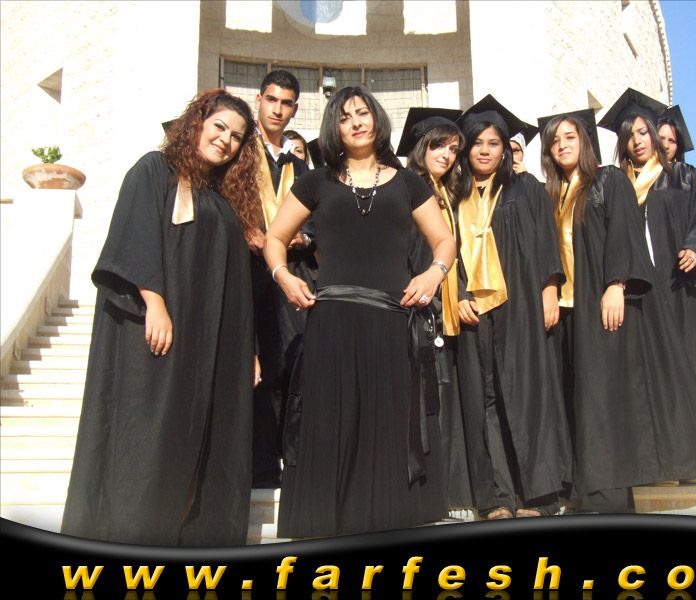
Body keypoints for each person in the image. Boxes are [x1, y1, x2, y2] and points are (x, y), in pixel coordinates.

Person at [61, 89, 262, 546]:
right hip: (156, 330)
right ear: (197, 123)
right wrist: (154, 303)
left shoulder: (223, 199)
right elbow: (136, 238)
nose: (226, 140)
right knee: (150, 436)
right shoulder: (154, 171)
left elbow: (236, 284)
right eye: (219, 127)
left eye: (236, 137)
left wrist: (246, 348)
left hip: (209, 341)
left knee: (209, 437)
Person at [264, 86, 456, 538]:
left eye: (363, 113)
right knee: (332, 424)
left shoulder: (408, 182)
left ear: (377, 119)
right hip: (331, 324)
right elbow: (275, 238)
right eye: (345, 116)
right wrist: (283, 276)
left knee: (387, 426)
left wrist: (434, 275)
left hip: (391, 321)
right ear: (334, 126)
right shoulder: (315, 182)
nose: (355, 122)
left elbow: (445, 240)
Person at [539, 108, 696, 512]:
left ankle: (609, 495)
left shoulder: (610, 180)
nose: (563, 146)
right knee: (578, 396)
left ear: (585, 142)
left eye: (570, 138)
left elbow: (623, 234)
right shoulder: (554, 193)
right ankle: (583, 487)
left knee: (604, 396)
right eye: (555, 141)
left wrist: (616, 283)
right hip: (568, 310)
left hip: (614, 300)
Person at [599, 88, 696, 465]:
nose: (638, 141)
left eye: (644, 132)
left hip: (678, 291)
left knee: (691, 369)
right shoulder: (615, 183)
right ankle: (657, 459)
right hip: (638, 295)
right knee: (648, 379)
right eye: (630, 135)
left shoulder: (682, 177)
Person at [453, 95, 571, 520]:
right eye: (477, 143)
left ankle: (538, 495)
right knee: (484, 397)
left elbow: (546, 241)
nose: (485, 151)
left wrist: (549, 290)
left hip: (520, 305)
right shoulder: (455, 193)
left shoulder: (525, 188)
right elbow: (446, 251)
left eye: (494, 143)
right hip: (473, 309)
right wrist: (457, 294)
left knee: (526, 393)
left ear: (505, 149)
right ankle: (498, 496)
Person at [398, 106, 474, 518]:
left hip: (445, 313)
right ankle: (420, 498)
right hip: (414, 306)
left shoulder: (450, 195)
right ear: (421, 148)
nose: (447, 154)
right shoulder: (407, 189)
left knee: (440, 401)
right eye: (439, 146)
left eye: (453, 149)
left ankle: (443, 496)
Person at [248, 70, 313, 489]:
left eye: (286, 103)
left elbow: (317, 215)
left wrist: (306, 237)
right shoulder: (240, 152)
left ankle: (292, 459)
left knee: (292, 364)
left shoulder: (299, 164)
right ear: (258, 100)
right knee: (256, 368)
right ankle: (260, 466)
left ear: (295, 109)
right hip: (247, 271)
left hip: (291, 273)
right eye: (271, 99)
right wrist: (246, 231)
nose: (277, 109)